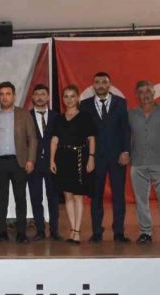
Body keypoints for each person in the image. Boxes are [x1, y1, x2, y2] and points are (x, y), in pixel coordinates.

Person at [80, 72, 131, 243]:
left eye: (104, 82)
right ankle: (96, 232)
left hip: (117, 157)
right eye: (97, 82)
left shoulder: (121, 102)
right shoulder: (85, 105)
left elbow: (125, 129)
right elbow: (84, 133)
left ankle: (119, 232)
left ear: (110, 84)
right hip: (95, 158)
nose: (101, 85)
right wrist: (88, 157)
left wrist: (126, 151)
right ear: (93, 85)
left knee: (118, 195)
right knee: (96, 196)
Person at [0, 81, 36, 244]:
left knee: (20, 198)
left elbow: (32, 138)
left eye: (8, 94)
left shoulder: (24, 114)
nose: (4, 97)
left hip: (19, 162)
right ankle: (1, 232)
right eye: (1, 94)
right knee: (1, 199)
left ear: (14, 96)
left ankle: (21, 233)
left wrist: (30, 159)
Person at [128, 80, 160, 245]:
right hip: (138, 163)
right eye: (141, 92)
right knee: (141, 201)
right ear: (137, 95)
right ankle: (145, 233)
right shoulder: (131, 114)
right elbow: (126, 137)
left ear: (154, 93)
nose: (145, 95)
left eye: (148, 91)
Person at [50, 85, 96, 244]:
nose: (69, 99)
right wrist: (51, 160)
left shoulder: (85, 117)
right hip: (63, 158)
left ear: (77, 98)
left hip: (79, 157)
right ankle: (72, 230)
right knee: (67, 195)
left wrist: (91, 158)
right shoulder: (58, 118)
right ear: (63, 99)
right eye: (66, 96)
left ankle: (77, 231)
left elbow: (91, 139)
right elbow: (54, 140)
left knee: (77, 196)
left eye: (72, 96)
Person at [27, 84, 61, 241]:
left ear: (48, 97)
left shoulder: (56, 117)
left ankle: (54, 230)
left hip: (53, 163)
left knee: (53, 198)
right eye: (37, 94)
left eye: (43, 94)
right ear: (33, 97)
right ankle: (40, 230)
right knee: (36, 198)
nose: (40, 97)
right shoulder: (26, 116)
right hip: (33, 163)